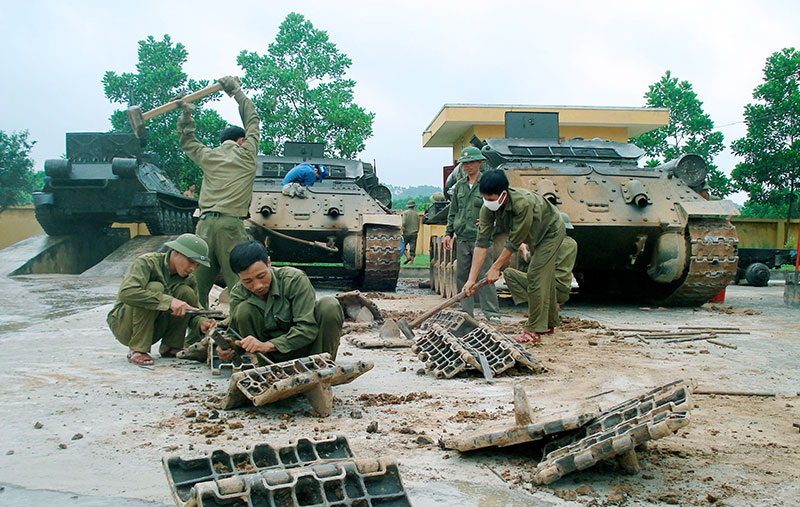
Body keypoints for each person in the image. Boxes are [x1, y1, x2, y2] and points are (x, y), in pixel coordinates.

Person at [177, 75, 260, 310]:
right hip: (231, 227)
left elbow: (187, 141)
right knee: (240, 285)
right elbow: (253, 119)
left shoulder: (209, 156)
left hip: (203, 226)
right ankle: (237, 337)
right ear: (241, 140)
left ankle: (193, 339)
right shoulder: (246, 154)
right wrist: (237, 92)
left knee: (196, 287)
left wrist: (186, 115)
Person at [463, 169, 564, 343]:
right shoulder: (487, 209)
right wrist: (471, 280)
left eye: (492, 199)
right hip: (534, 235)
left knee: (536, 277)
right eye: (485, 198)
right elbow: (481, 244)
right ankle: (549, 322)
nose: (488, 203)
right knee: (543, 278)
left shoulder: (522, 204)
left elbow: (513, 242)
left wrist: (495, 267)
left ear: (503, 194)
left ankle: (533, 330)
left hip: (550, 233)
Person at [217, 240, 344, 365]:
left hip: (310, 352)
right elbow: (236, 334)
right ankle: (266, 370)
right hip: (270, 360)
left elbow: (307, 329)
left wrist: (267, 345)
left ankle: (323, 367)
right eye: (248, 281)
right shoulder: (239, 293)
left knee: (329, 306)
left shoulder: (294, 280)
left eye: (261, 276)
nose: (257, 286)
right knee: (243, 310)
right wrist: (230, 347)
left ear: (268, 262)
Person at [107, 234, 217, 366]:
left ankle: (171, 346)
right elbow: (127, 293)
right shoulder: (147, 263)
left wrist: (202, 322)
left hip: (155, 327)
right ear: (176, 253)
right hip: (125, 325)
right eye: (191, 262)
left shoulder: (189, 279)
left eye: (197, 265)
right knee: (155, 287)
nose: (193, 268)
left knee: (185, 292)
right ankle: (138, 349)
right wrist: (168, 301)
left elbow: (192, 309)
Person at [443, 146, 500, 321]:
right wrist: (448, 232)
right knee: (462, 275)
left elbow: (499, 209)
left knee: (485, 274)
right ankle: (466, 312)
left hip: (481, 239)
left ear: (480, 163)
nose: (468, 166)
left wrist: (491, 223)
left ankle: (491, 312)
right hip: (462, 238)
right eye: (465, 163)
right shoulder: (459, 186)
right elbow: (453, 211)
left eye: (472, 162)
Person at [504, 212, 578, 307]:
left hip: (547, 289)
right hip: (564, 291)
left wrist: (523, 249)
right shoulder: (572, 243)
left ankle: (536, 305)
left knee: (509, 273)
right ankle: (552, 303)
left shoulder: (549, 243)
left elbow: (529, 259)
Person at [401, 200, 420, 264]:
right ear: (414, 206)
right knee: (413, 247)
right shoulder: (417, 214)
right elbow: (418, 224)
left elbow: (404, 222)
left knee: (403, 246)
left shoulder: (405, 213)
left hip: (406, 233)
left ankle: (407, 257)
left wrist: (402, 227)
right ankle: (412, 262)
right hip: (414, 233)